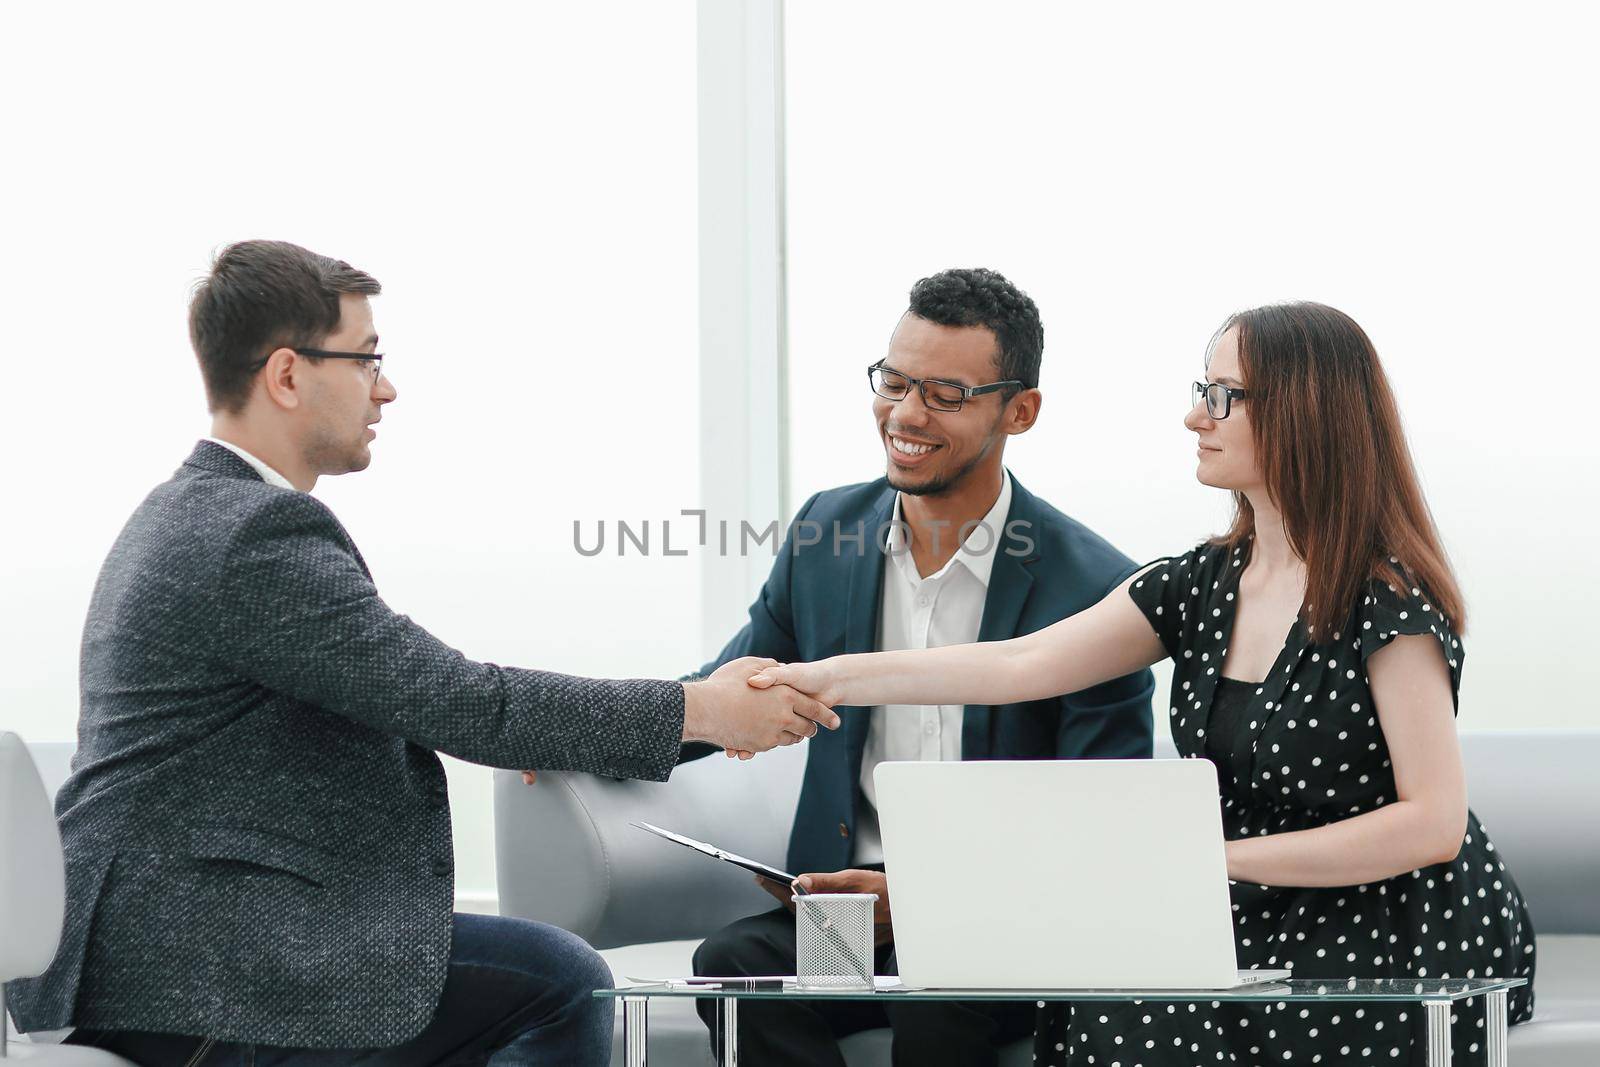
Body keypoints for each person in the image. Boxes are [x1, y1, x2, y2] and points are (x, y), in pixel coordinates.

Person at [1, 239, 838, 1066]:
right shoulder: (253, 534)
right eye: (367, 360)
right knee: (561, 983)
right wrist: (705, 708)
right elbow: (463, 701)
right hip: (198, 966)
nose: (387, 388)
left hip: (160, 956)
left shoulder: (189, 511)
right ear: (288, 375)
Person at [750, 302, 1536, 1064]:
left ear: (1304, 415)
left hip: (1392, 916)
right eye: (1203, 392)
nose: (1198, 417)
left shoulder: (1385, 600)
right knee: (1110, 1018)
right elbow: (1022, 664)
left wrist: (1210, 857)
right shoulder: (1201, 583)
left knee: (1156, 1029)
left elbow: (1433, 824)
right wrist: (831, 676)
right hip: (1244, 903)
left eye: (1222, 397)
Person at [684, 268, 1154, 1067]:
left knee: (941, 1000)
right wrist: (571, 738)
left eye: (943, 393)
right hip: (849, 917)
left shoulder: (1097, 591)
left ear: (1020, 410)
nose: (904, 414)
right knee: (733, 969)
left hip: (997, 923)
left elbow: (1100, 821)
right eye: (894, 381)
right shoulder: (825, 533)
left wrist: (932, 897)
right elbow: (727, 688)